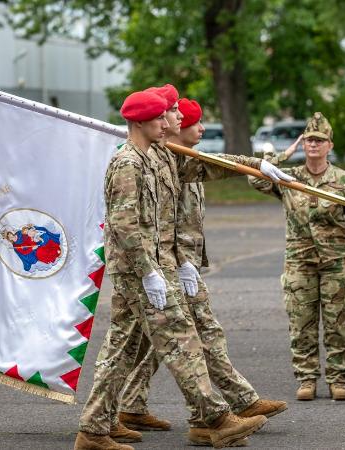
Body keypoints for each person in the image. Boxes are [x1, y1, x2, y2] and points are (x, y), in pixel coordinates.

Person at [74, 90, 268, 450]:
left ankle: (93, 429)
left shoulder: (159, 154)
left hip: (157, 268)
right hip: (139, 271)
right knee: (182, 340)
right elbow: (124, 224)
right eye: (160, 119)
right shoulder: (127, 164)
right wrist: (148, 272)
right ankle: (217, 418)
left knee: (122, 349)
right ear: (140, 123)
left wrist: (254, 166)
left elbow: (201, 164)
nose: (168, 124)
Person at [117, 95, 287, 446]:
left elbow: (215, 166)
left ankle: (133, 408)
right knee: (192, 340)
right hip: (163, 269)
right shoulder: (149, 163)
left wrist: (257, 164)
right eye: (192, 121)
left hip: (175, 268)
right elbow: (161, 223)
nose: (199, 126)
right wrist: (176, 267)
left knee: (153, 343)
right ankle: (225, 409)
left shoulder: (182, 162)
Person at [250, 112, 345, 401]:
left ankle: (338, 378)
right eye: (308, 140)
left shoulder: (343, 180)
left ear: (330, 145)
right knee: (301, 323)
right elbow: (255, 180)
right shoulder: (289, 178)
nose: (313, 145)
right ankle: (306, 379)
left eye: (319, 140)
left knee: (338, 323)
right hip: (300, 263)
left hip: (336, 263)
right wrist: (285, 154)